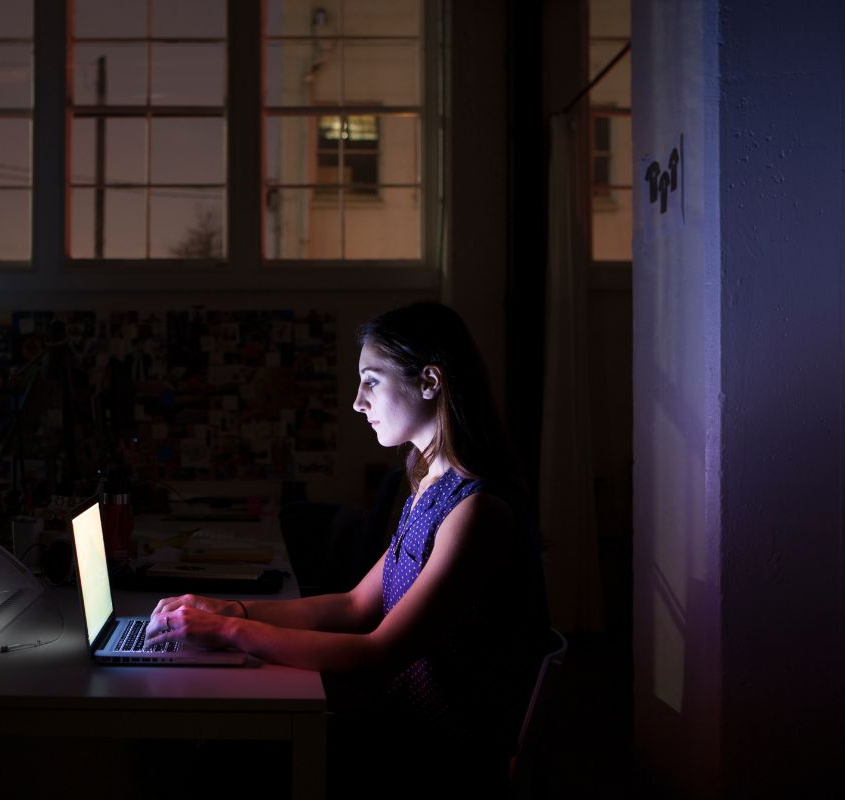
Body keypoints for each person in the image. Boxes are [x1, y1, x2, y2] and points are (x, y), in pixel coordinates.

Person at [144, 302, 550, 793]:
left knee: (224, 757)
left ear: (429, 382)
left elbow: (377, 652)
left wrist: (228, 630)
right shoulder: (429, 487)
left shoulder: (477, 511)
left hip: (435, 753)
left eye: (371, 380)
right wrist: (233, 609)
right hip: (394, 723)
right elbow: (354, 604)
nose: (358, 402)